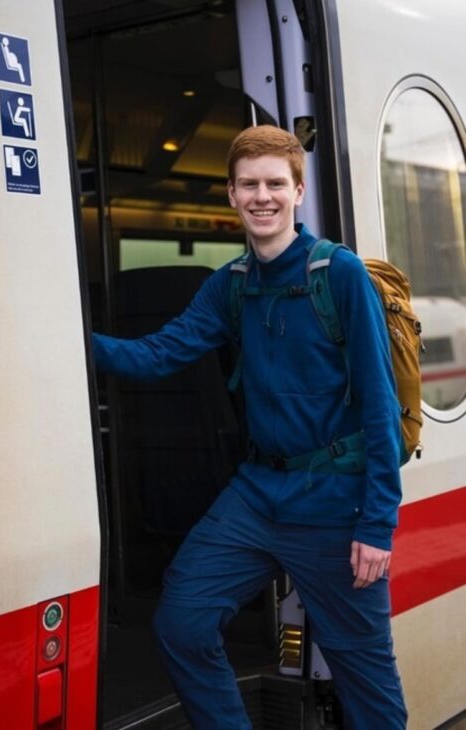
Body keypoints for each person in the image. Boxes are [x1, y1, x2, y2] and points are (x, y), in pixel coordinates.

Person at [92, 125, 406, 729]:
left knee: (364, 677)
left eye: (274, 184)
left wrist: (378, 523)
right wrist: (66, 336)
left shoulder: (338, 276)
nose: (262, 196)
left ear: (297, 191)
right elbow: (159, 354)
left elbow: (379, 406)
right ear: (231, 195)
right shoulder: (231, 284)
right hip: (259, 495)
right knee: (181, 621)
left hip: (336, 506)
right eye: (248, 185)